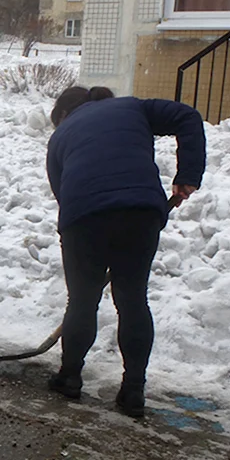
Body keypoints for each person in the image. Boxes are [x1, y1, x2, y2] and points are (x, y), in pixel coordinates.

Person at [45, 86, 206, 418]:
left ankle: (70, 376)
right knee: (133, 299)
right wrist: (188, 173)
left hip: (84, 217)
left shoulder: (60, 138)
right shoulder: (133, 108)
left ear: (63, 114)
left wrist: (90, 229)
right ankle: (133, 390)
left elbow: (65, 194)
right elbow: (187, 116)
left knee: (82, 300)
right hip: (141, 210)